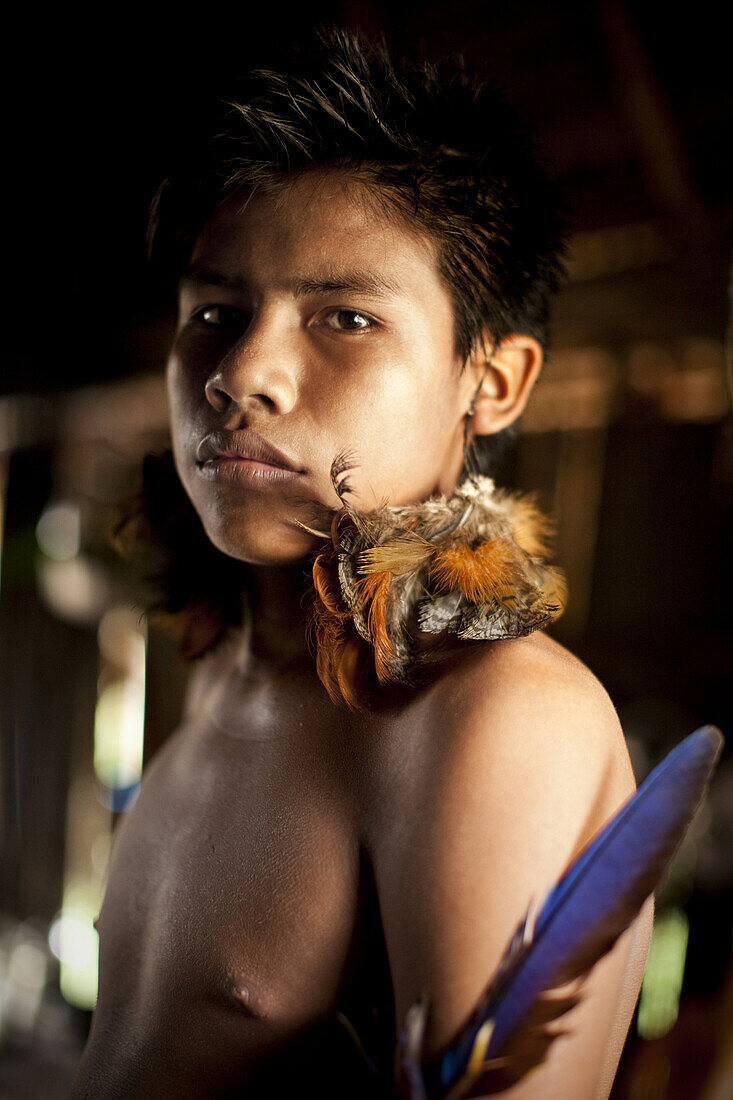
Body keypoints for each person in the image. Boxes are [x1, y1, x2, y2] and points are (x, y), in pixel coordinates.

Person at [69, 25, 653, 1099]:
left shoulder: (496, 715)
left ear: (494, 382)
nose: (242, 373)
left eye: (345, 315)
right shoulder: (228, 674)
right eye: (214, 311)